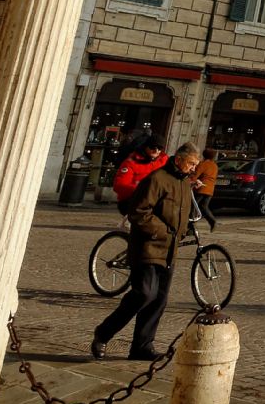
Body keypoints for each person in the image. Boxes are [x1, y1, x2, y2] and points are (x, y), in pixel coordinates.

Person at [93, 143, 200, 361]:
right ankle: (103, 333)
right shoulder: (157, 179)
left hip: (170, 250)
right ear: (179, 160)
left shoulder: (183, 184)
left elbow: (182, 212)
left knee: (159, 299)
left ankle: (142, 346)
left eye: (195, 165)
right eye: (191, 163)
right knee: (143, 294)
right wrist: (162, 231)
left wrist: (184, 229)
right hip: (148, 247)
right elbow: (139, 211)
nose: (193, 168)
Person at [192, 147, 219, 218]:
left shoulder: (203, 164)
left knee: (193, 205)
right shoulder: (215, 166)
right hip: (210, 189)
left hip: (201, 188)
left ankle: (191, 221)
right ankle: (212, 221)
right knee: (204, 206)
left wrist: (193, 179)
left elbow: (195, 175)